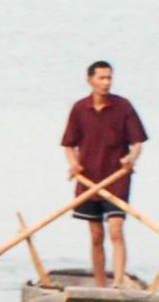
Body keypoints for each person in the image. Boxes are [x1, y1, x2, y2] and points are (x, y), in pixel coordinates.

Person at [59, 60, 149, 285]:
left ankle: (117, 281)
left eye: (109, 78)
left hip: (116, 180)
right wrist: (74, 164)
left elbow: (137, 142)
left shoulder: (123, 107)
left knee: (116, 231)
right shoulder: (80, 109)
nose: (106, 83)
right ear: (90, 80)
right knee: (96, 235)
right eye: (101, 78)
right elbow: (69, 144)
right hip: (89, 181)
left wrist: (131, 158)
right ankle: (101, 284)